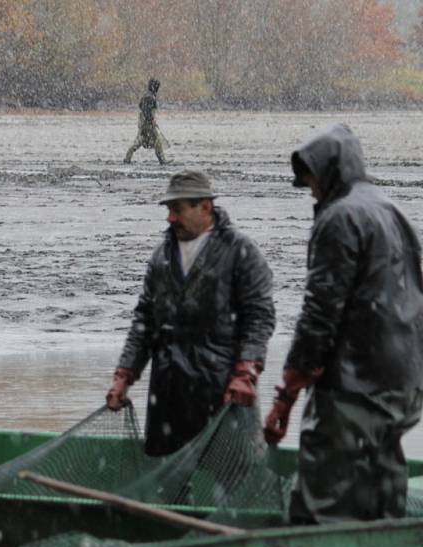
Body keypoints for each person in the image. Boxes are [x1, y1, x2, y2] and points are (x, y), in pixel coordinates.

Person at [263, 123, 423, 524]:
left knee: (323, 501)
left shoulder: (340, 218)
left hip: (355, 382)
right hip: (403, 382)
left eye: (312, 179)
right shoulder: (391, 210)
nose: (311, 190)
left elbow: (321, 309)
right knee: (382, 491)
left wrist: (289, 387)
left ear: (329, 170)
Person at [106, 170, 275, 456]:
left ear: (205, 207)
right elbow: (144, 321)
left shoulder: (240, 252)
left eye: (177, 209)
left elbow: (259, 318)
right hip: (168, 390)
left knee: (231, 473)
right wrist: (125, 374)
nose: (170, 218)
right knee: (169, 482)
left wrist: (246, 371)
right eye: (169, 210)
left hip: (221, 387)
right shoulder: (161, 256)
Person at [123, 78, 167, 165]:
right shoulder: (150, 97)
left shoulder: (146, 96)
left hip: (144, 123)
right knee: (155, 140)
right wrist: (151, 120)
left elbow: (141, 107)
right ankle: (162, 160)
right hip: (148, 123)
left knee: (142, 140)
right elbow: (147, 111)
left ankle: (127, 158)